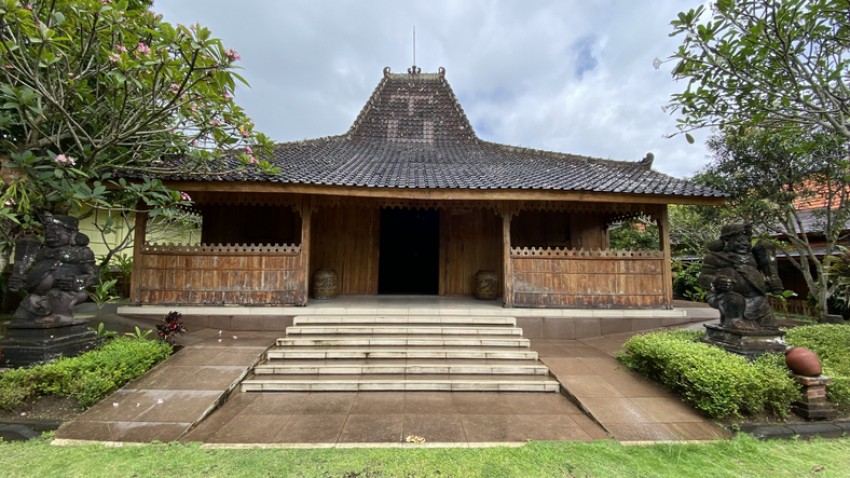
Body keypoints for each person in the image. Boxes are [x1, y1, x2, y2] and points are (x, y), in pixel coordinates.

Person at [8, 213, 98, 325]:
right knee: (19, 321)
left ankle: (61, 318)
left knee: (57, 298)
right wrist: (21, 280)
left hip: (64, 294)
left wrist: (76, 281)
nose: (51, 235)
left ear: (72, 234)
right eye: (48, 232)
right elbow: (34, 272)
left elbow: (93, 276)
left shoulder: (82, 252)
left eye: (56, 232)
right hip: (37, 296)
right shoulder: (42, 252)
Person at [698, 223, 783, 329]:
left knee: (770, 325)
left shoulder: (753, 258)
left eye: (747, 241)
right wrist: (716, 281)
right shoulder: (714, 257)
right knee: (734, 301)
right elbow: (702, 278)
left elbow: (764, 266)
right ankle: (733, 321)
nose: (745, 244)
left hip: (755, 298)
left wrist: (770, 283)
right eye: (739, 241)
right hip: (725, 296)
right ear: (727, 241)